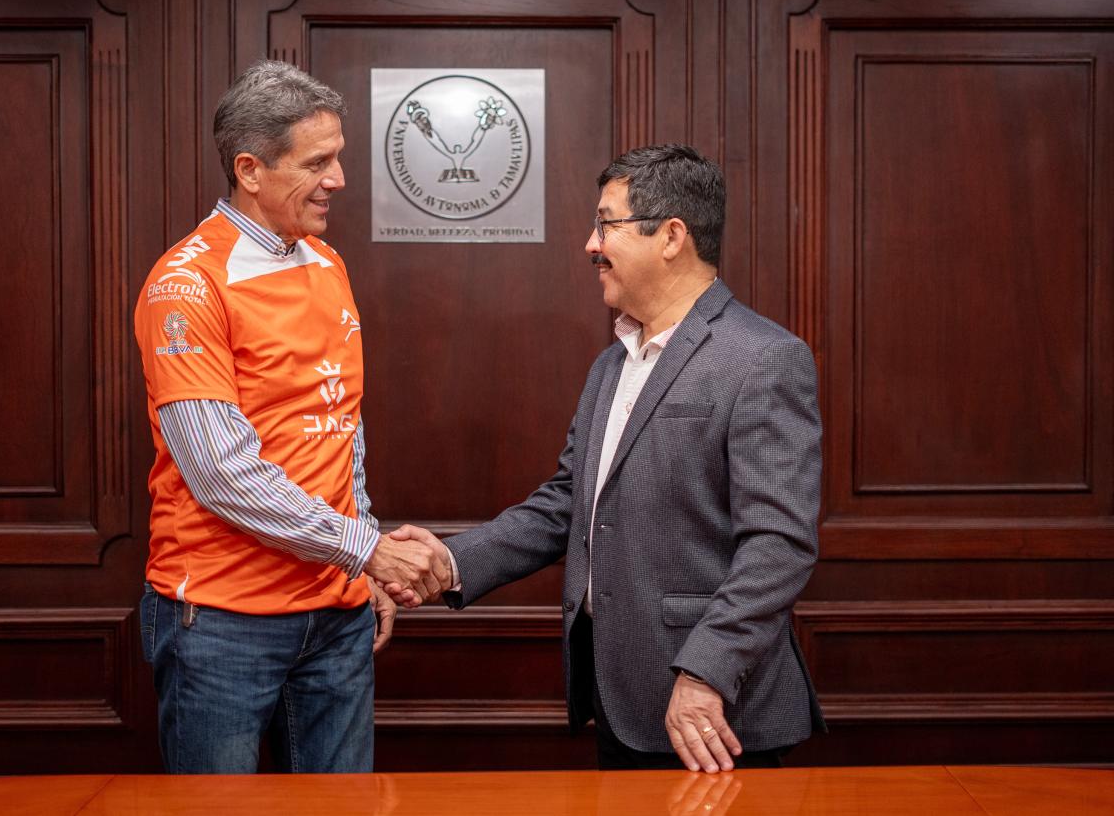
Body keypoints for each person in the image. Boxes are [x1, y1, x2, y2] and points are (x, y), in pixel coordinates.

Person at [389, 144, 825, 771]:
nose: (590, 244)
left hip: (713, 712)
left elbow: (779, 545)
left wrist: (705, 672)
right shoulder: (612, 364)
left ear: (671, 236)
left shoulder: (763, 358)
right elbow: (568, 503)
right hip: (618, 697)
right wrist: (452, 561)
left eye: (606, 224)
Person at [134, 60, 448, 775]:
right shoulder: (187, 284)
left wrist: (362, 568)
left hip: (337, 615)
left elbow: (341, 428)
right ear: (250, 169)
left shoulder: (327, 264)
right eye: (317, 163)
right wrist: (366, 550)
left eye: (338, 157)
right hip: (221, 618)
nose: (339, 178)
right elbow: (222, 474)